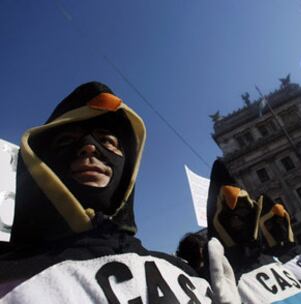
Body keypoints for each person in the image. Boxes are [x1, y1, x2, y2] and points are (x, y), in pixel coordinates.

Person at [0, 82, 232, 303]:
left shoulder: (182, 273)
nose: (90, 147)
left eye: (107, 141)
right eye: (67, 141)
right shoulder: (10, 281)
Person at [206, 159, 301, 303]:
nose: (239, 221)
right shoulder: (220, 280)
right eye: (232, 216)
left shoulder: (274, 261)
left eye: (244, 213)